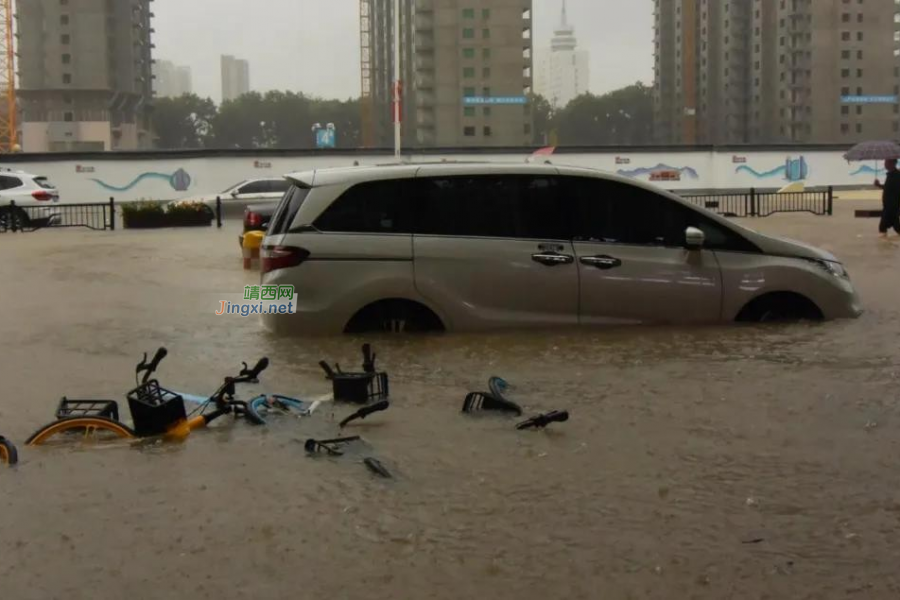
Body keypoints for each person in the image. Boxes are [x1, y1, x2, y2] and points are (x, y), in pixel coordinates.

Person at [874, 158, 900, 238]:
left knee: (883, 227)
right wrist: (879, 185)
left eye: (887, 162)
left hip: (892, 206)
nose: (885, 164)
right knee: (889, 227)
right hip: (888, 206)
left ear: (892, 163)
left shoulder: (897, 175)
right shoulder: (890, 174)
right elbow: (887, 188)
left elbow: (897, 191)